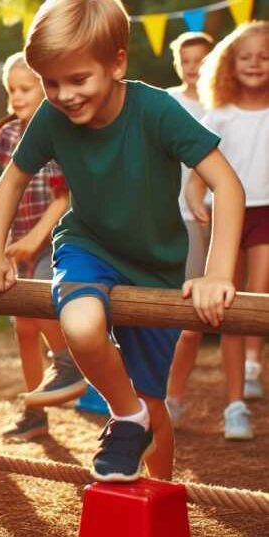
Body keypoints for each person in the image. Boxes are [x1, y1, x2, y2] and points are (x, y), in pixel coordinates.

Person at [0, 0, 244, 482]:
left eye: (78, 80)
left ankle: (159, 491)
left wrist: (216, 273)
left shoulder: (156, 110)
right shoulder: (51, 118)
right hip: (88, 245)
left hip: (156, 266)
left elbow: (227, 184)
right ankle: (125, 414)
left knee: (156, 406)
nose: (64, 94)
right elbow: (11, 179)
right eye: (51, 83)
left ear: (117, 63)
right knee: (79, 326)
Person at [0, 52, 83, 440]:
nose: (16, 97)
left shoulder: (60, 131)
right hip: (18, 246)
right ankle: (36, 412)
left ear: (46, 88)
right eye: (11, 90)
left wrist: (36, 239)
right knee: (24, 329)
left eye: (25, 88)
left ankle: (69, 361)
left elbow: (63, 198)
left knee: (45, 306)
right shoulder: (11, 132)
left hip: (56, 241)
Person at [183, 21, 268, 439]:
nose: (255, 63)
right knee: (231, 303)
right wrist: (196, 195)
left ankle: (254, 362)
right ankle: (235, 404)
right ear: (230, 65)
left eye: (264, 56)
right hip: (228, 215)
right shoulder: (220, 114)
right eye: (245, 56)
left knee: (260, 290)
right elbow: (200, 165)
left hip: (266, 213)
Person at [164, 32, 215, 427]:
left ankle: (175, 397)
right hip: (171, 215)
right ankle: (160, 395)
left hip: (213, 216)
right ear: (177, 64)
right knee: (170, 316)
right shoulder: (168, 102)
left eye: (202, 58)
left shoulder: (224, 104)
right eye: (187, 60)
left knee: (199, 318)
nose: (194, 66)